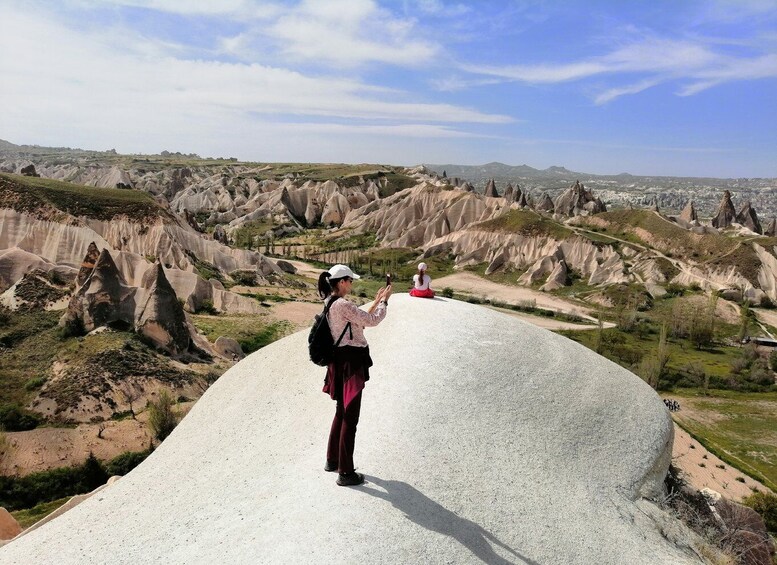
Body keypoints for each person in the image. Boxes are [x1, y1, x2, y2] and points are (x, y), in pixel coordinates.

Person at [317, 264, 392, 486]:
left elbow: (358, 321)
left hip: (338, 361)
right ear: (341, 282)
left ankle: (332, 460)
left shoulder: (330, 302)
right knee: (351, 417)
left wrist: (376, 300)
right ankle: (346, 472)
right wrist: (386, 302)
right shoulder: (343, 304)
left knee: (341, 412)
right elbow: (372, 321)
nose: (351, 284)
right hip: (351, 363)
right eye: (350, 280)